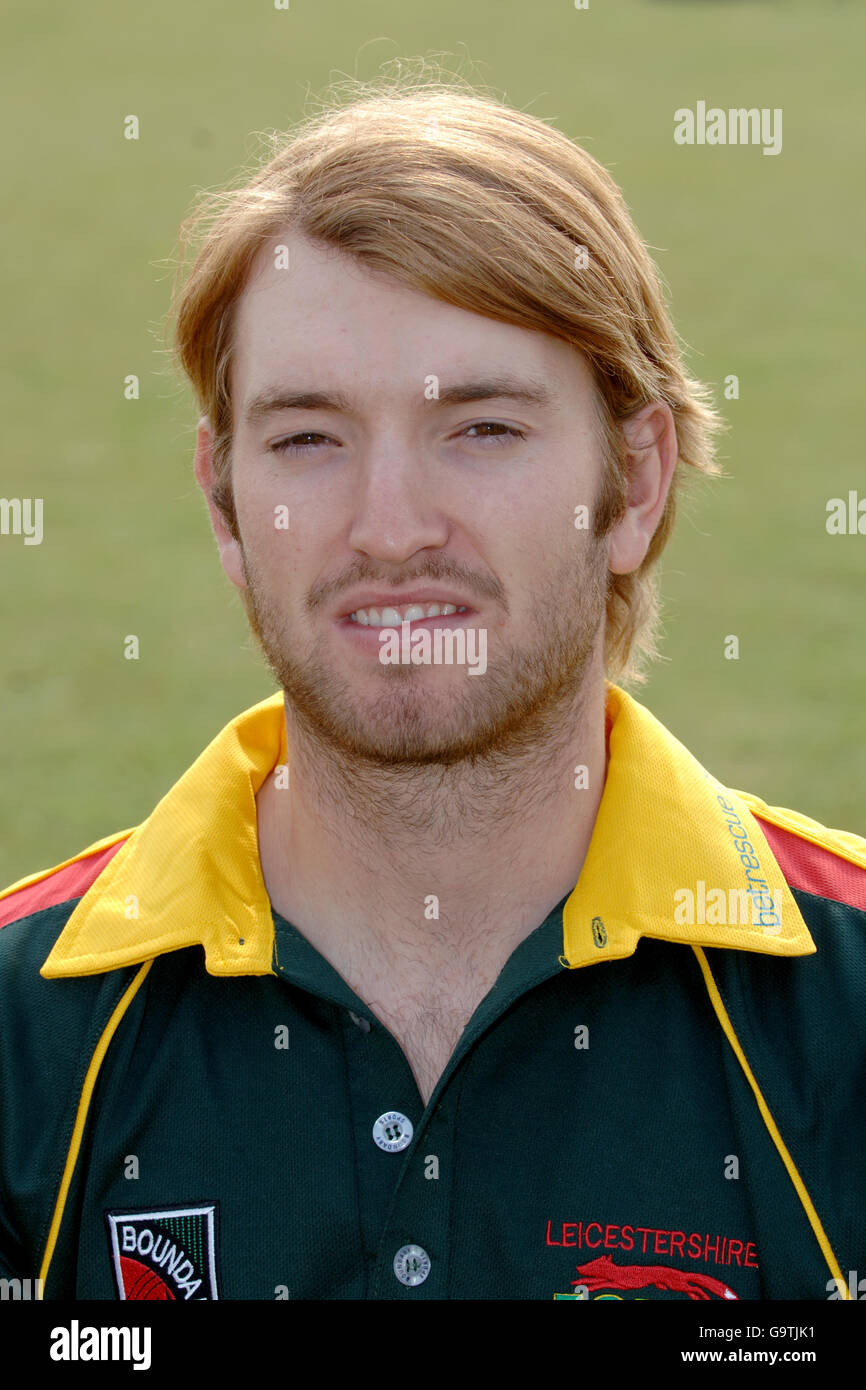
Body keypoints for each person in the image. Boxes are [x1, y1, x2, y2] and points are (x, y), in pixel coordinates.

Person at [1, 75, 864, 1304]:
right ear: (225, 504)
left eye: (482, 428)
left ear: (636, 481)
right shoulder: (25, 1036)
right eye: (308, 436)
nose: (390, 529)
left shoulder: (844, 1003)